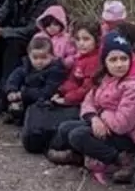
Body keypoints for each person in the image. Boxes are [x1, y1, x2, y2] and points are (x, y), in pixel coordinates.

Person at [49, 33, 135, 184]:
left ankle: (123, 160)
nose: (119, 64)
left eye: (123, 59)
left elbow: (122, 125)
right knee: (66, 127)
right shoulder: (106, 78)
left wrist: (101, 116)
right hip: (106, 125)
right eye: (113, 60)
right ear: (105, 63)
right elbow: (89, 101)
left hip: (129, 137)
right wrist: (93, 117)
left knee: (78, 135)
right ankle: (81, 155)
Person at [23, 19, 100, 155]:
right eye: (78, 39)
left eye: (86, 39)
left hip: (84, 103)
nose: (81, 43)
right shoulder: (80, 58)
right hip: (72, 98)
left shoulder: (94, 61)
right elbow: (71, 80)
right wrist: (60, 91)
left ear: (96, 40)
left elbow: (87, 88)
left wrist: (68, 99)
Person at [3, 36, 67, 125]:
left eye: (44, 58)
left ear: (52, 56)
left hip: (43, 99)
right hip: (26, 96)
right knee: (14, 102)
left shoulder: (56, 71)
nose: (39, 61)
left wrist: (24, 94)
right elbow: (15, 77)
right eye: (35, 58)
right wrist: (11, 90)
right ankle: (16, 114)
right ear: (29, 56)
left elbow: (47, 92)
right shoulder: (27, 67)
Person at [34, 4, 78, 70]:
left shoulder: (66, 39)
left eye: (55, 24)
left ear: (61, 24)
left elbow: (72, 54)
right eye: (48, 25)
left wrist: (64, 62)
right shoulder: (39, 37)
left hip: (57, 67)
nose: (52, 28)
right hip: (38, 65)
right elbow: (32, 52)